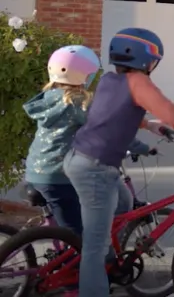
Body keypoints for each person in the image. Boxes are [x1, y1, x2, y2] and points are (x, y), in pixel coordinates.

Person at [64, 28, 174, 297]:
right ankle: (99, 275)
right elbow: (170, 111)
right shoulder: (139, 83)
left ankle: (113, 260)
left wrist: (147, 125)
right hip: (95, 170)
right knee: (93, 250)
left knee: (123, 204)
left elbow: (111, 113)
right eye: (155, 60)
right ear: (145, 59)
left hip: (82, 160)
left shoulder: (109, 80)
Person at [22, 45, 158, 239]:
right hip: (61, 176)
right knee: (91, 230)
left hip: (36, 172)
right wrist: (143, 148)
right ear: (85, 76)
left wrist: (144, 124)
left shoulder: (50, 98)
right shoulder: (78, 102)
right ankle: (104, 260)